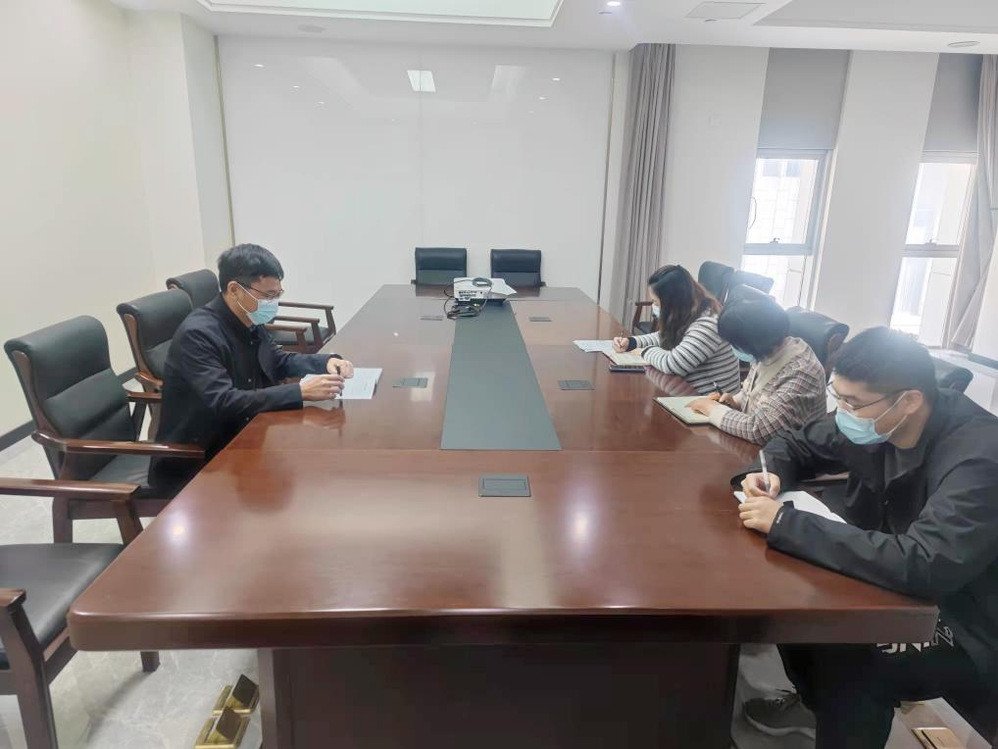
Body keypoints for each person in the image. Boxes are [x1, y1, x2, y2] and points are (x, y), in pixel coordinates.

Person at [734, 327, 998, 748]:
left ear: (909, 400)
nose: (842, 412)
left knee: (852, 661)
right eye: (837, 397)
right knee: (795, 605)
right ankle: (814, 703)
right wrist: (767, 473)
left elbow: (925, 563)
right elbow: (793, 442)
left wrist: (788, 524)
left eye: (852, 403)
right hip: (891, 575)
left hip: (966, 617)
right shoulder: (877, 420)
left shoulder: (979, 456)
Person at [150, 244, 354, 492]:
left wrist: (325, 362)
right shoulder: (198, 335)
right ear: (235, 290)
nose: (273, 303)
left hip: (244, 431)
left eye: (277, 294)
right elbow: (224, 401)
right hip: (201, 458)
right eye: (267, 296)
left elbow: (275, 360)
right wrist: (300, 392)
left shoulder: (246, 317)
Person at [686, 296, 827, 444]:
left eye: (735, 343)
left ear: (753, 343)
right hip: (760, 446)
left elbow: (760, 430)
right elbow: (755, 393)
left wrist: (712, 409)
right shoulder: (768, 351)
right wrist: (735, 402)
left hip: (792, 452)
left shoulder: (801, 372)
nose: (733, 348)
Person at [612, 265, 740, 395]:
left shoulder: (708, 324)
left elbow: (673, 365)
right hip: (688, 393)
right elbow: (664, 336)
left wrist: (644, 351)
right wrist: (632, 342)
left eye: (656, 302)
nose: (653, 306)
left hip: (714, 402)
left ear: (672, 303)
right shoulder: (690, 311)